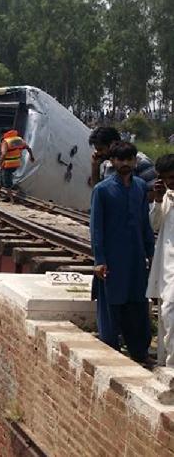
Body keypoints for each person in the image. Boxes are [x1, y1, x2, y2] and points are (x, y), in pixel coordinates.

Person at [90, 141, 155, 363]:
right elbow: (96, 227)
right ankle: (111, 351)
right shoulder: (102, 190)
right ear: (113, 162)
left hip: (136, 256)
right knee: (112, 303)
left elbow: (145, 223)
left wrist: (151, 252)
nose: (125, 163)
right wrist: (99, 260)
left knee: (137, 302)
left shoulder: (139, 187)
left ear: (135, 161)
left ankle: (139, 351)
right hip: (113, 257)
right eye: (121, 159)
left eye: (129, 159)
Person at [148, 154, 174, 366]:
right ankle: (165, 364)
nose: (171, 182)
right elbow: (154, 225)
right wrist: (157, 199)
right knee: (166, 315)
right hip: (167, 268)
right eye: (166, 179)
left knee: (170, 313)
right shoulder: (166, 198)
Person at [89, 126, 156, 188]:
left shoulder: (141, 162)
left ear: (113, 144)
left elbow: (153, 193)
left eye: (100, 149)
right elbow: (99, 192)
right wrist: (95, 167)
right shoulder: (108, 165)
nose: (98, 153)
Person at [0, 129, 35, 201]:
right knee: (2, 177)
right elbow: (28, 148)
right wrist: (31, 157)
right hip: (16, 163)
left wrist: (0, 164)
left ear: (3, 134)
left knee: (6, 181)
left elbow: (3, 154)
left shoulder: (5, 141)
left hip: (7, 164)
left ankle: (11, 199)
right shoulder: (19, 139)